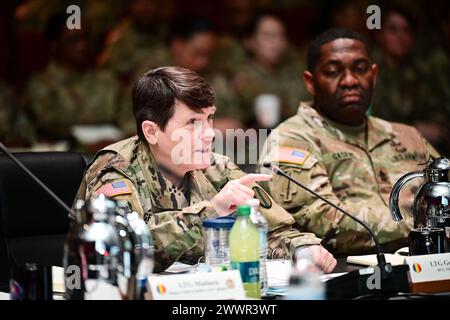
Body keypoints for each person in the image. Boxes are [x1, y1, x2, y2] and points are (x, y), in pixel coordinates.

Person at [69, 66, 336, 273]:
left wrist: (304, 250)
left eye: (210, 118)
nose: (209, 134)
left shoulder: (216, 167)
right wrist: (213, 210)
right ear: (152, 131)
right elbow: (123, 250)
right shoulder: (114, 171)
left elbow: (275, 230)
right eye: (193, 123)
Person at [258, 29, 440, 257]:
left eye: (360, 69)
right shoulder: (290, 140)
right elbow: (325, 225)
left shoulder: (408, 136)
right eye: (333, 72)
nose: (350, 81)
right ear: (310, 82)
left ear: (373, 74)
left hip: (431, 268)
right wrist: (425, 225)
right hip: (347, 278)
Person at [25, 13, 123, 149]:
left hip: (114, 150)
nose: (82, 45)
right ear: (55, 45)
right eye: (73, 40)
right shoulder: (40, 84)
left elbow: (127, 116)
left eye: (86, 38)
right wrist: (83, 145)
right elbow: (47, 126)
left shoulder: (107, 80)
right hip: (64, 157)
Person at [371, 6, 450, 155]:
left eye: (406, 30)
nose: (400, 36)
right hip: (382, 146)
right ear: (380, 35)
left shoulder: (419, 71)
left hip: (418, 147)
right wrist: (415, 128)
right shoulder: (369, 71)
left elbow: (436, 107)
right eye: (392, 30)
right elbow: (373, 120)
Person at [232, 13, 310, 129]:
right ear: (249, 41)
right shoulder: (237, 76)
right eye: (268, 36)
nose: (276, 42)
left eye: (281, 36)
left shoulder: (296, 73)